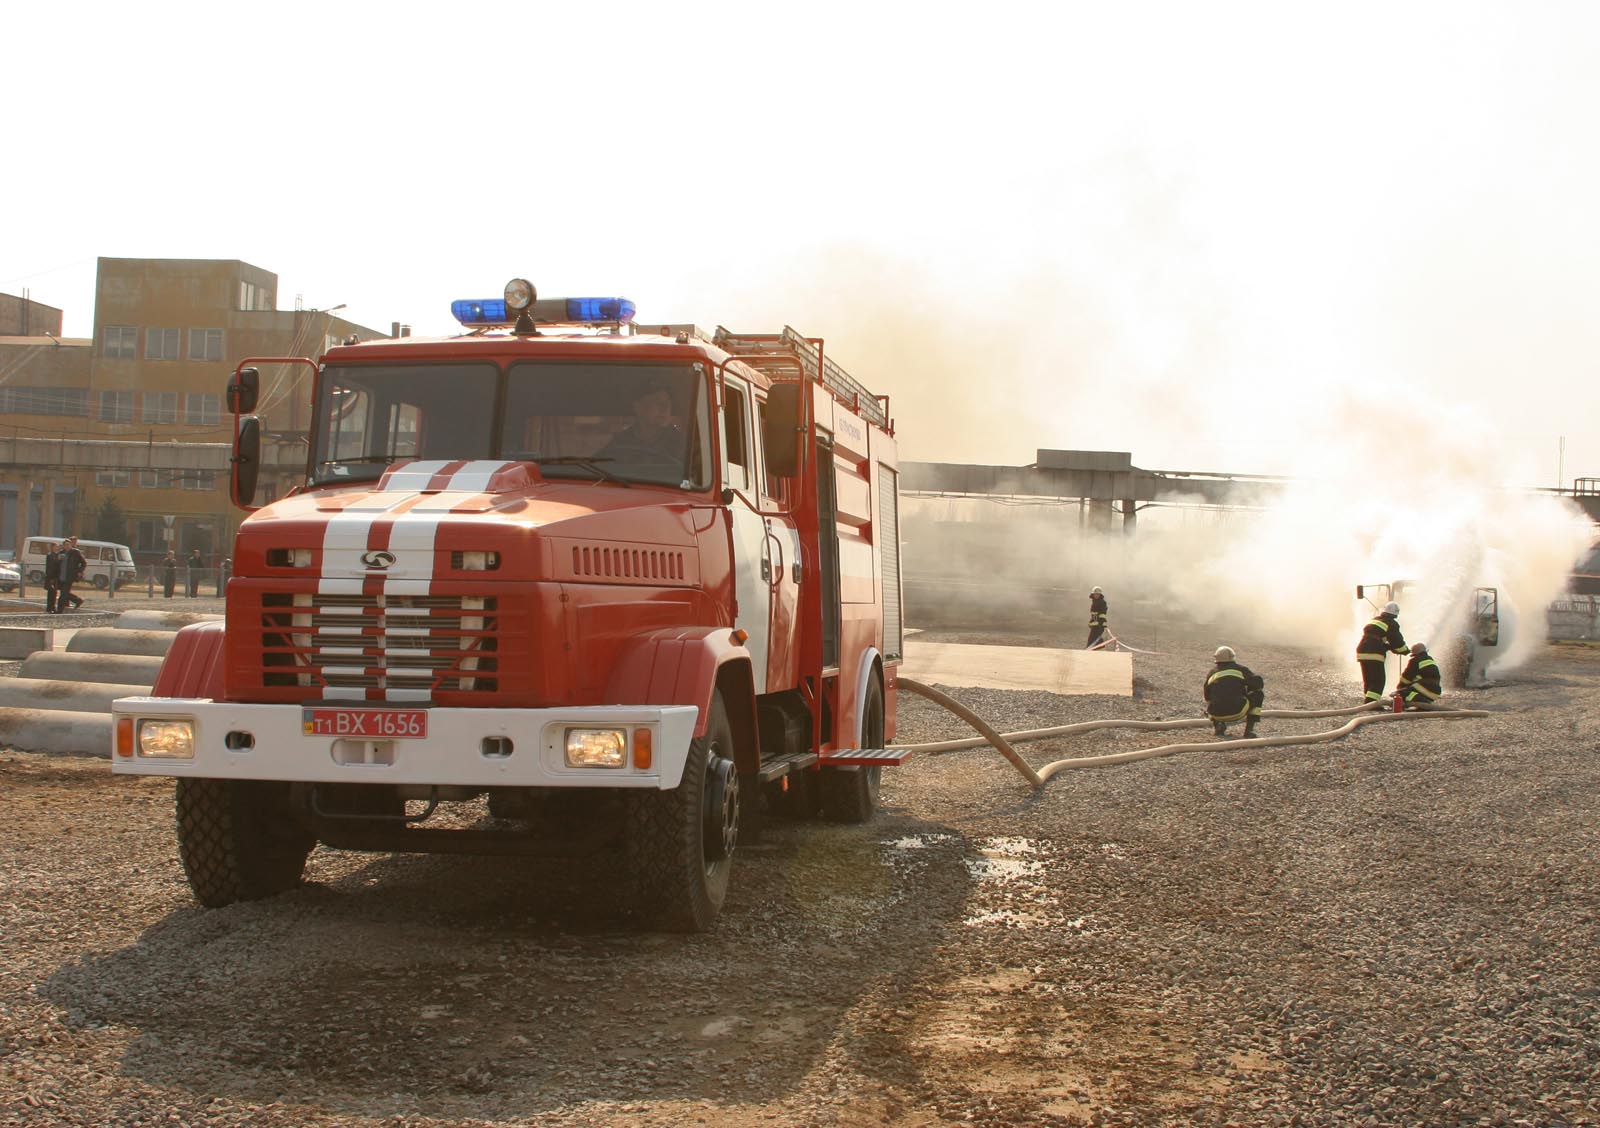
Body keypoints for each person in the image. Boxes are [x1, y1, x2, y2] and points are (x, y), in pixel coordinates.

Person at [601, 380, 684, 465]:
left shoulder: (681, 444)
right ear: (638, 407)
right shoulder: (621, 442)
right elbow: (599, 468)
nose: (665, 408)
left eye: (668, 402)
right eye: (657, 402)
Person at [1205, 645, 1265, 738]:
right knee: (1258, 694)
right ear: (1232, 657)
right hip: (1237, 711)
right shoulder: (1241, 669)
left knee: (1211, 700)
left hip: (1216, 714)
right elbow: (1258, 684)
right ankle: (1249, 731)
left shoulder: (1211, 673)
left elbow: (1207, 696)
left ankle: (1218, 726)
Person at [1357, 600, 1409, 703]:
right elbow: (1397, 642)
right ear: (1395, 614)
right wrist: (1404, 650)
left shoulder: (1375, 620)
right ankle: (1372, 704)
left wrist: (1387, 647)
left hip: (1362, 651)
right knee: (1378, 680)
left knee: (1369, 679)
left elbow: (1376, 637)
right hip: (1374, 653)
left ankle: (1369, 701)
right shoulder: (1391, 623)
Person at [1394, 641, 1443, 708]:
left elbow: (1406, 679)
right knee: (1409, 689)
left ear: (1414, 654)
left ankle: (1422, 701)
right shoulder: (1430, 659)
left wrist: (1399, 689)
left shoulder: (1415, 660)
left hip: (1427, 691)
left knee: (1401, 694)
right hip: (1435, 692)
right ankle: (1421, 703)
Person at [56, 537, 86, 612]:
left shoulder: (75, 552)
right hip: (61, 576)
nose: (67, 546)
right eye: (65, 545)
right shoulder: (61, 552)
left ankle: (59, 610)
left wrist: (79, 571)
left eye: (68, 545)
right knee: (65, 592)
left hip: (70, 576)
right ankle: (78, 600)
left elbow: (83, 563)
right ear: (63, 546)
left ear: (71, 545)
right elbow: (56, 564)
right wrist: (58, 559)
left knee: (63, 594)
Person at [42, 543, 61, 614]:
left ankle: (52, 607)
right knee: (51, 593)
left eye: (57, 547)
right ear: (52, 547)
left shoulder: (56, 555)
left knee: (54, 593)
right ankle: (49, 608)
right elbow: (51, 566)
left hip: (56, 577)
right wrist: (50, 577)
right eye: (55, 547)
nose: (57, 548)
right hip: (51, 577)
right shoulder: (50, 555)